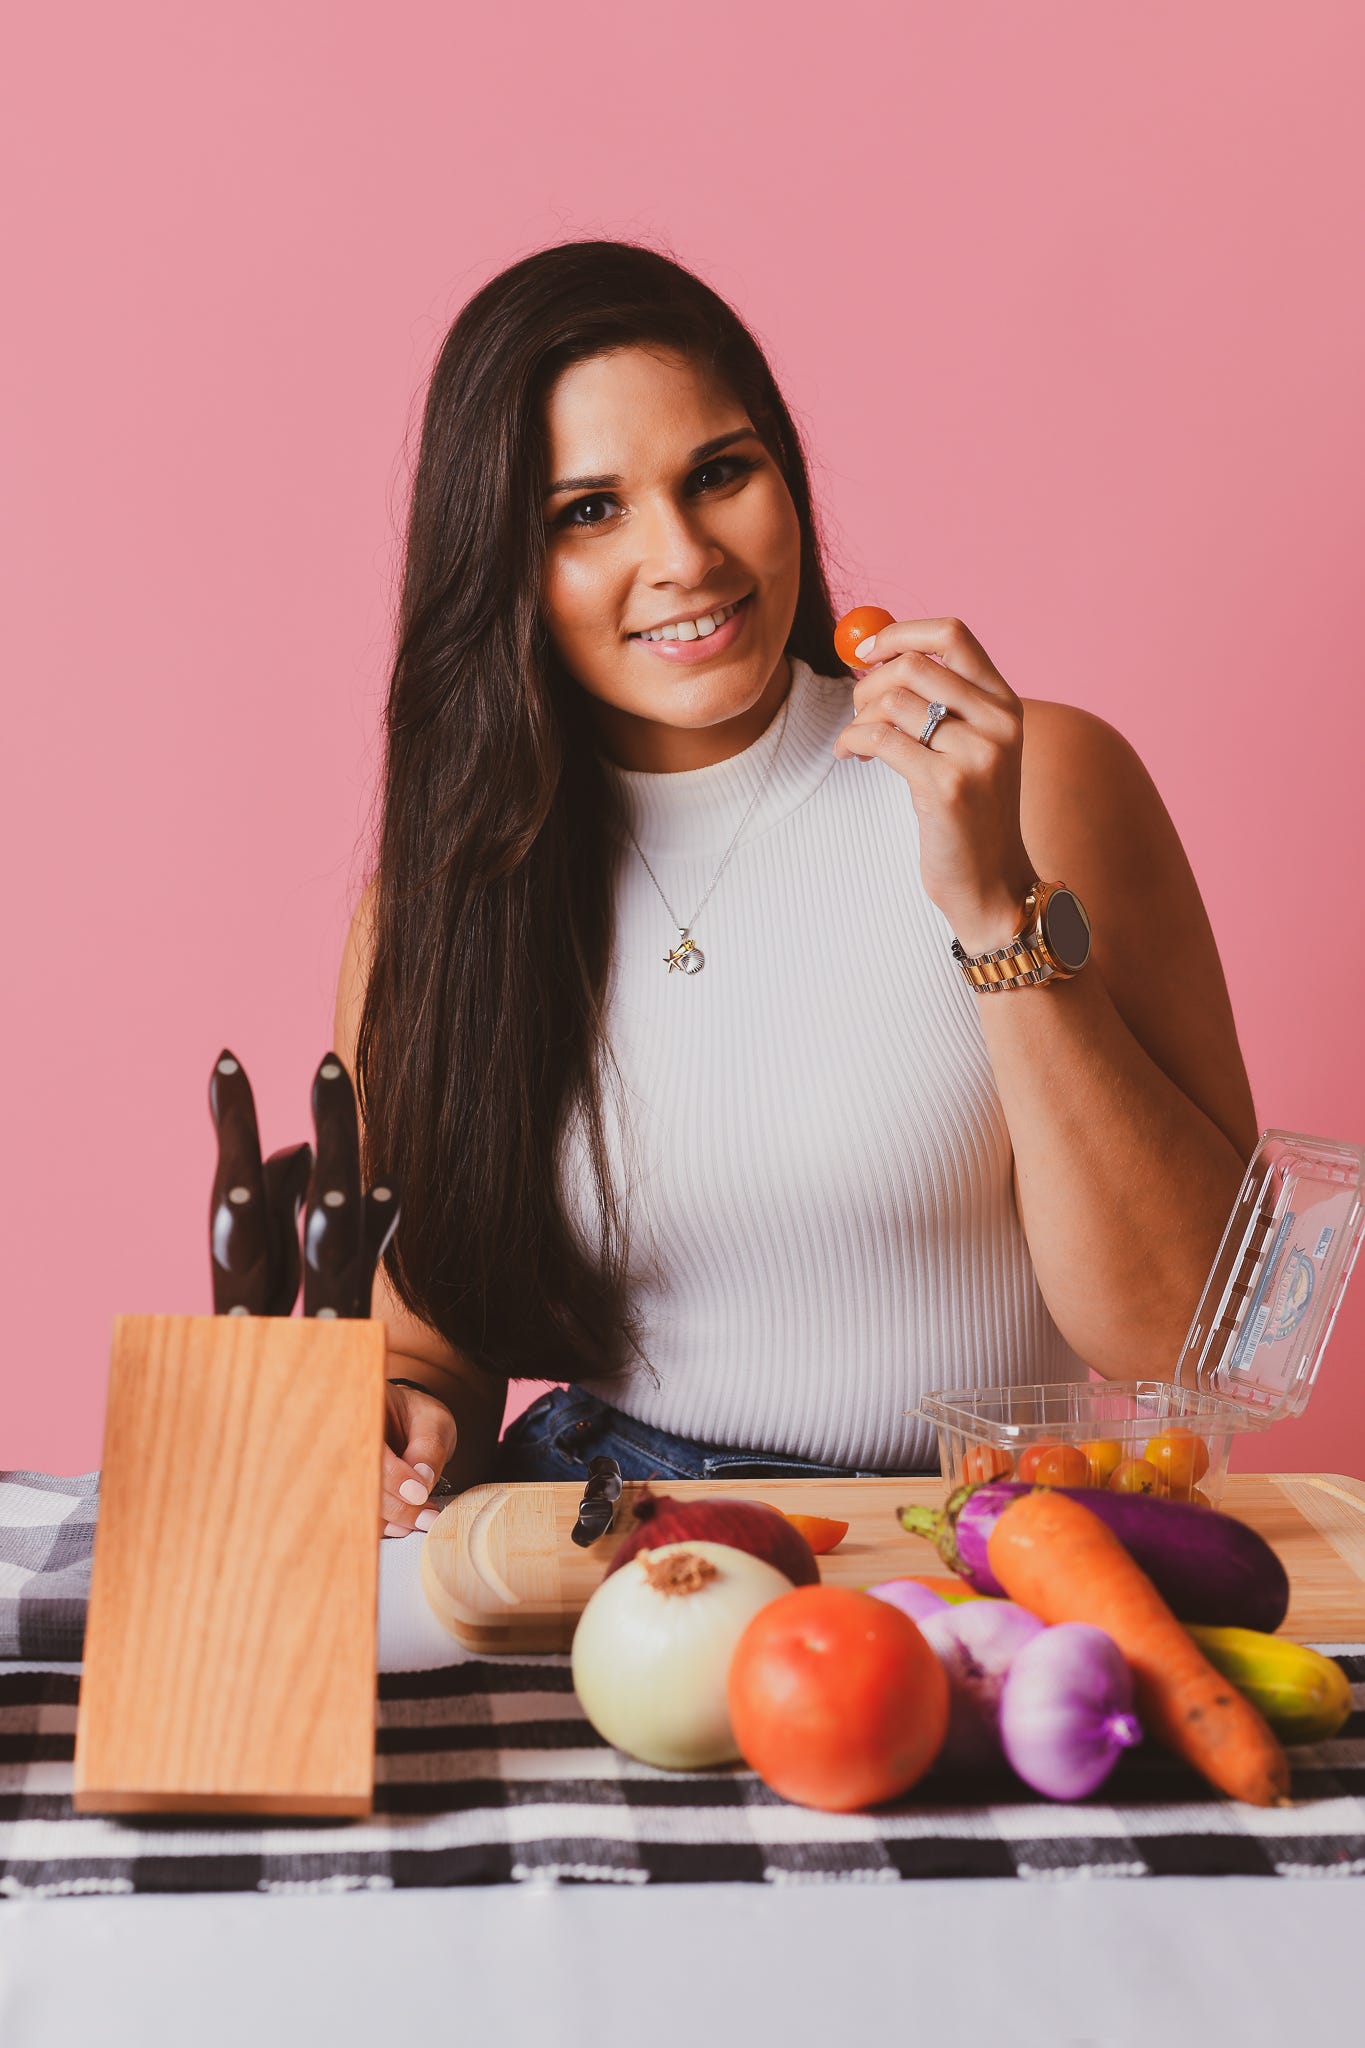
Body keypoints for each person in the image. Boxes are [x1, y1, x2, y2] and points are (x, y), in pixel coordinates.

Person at [329, 240, 1259, 1539]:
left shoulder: (1039, 781)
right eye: (587, 512)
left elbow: (1194, 1340)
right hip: (613, 1541)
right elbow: (432, 1336)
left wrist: (991, 908)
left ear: (785, 477)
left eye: (719, 473)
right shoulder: (449, 896)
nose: (684, 556)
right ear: (502, 566)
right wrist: (410, 1406)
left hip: (976, 1542)